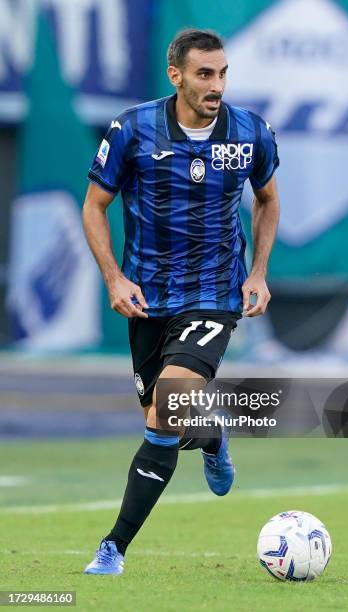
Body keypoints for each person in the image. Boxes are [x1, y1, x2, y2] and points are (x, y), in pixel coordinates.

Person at [82, 28, 280, 575]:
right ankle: (212, 434)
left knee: (167, 406)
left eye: (222, 73)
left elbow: (266, 199)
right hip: (148, 296)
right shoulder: (133, 128)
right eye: (204, 74)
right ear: (176, 76)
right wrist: (114, 279)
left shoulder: (250, 132)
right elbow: (95, 206)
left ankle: (112, 549)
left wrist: (258, 273)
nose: (216, 85)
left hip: (215, 294)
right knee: (159, 413)